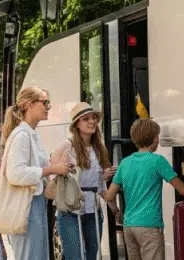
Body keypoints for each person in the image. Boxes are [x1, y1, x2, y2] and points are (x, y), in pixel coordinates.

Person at [102, 119, 184, 260]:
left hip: (129, 226)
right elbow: (183, 190)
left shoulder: (124, 163)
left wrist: (116, 211)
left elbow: (109, 196)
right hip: (149, 225)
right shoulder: (158, 161)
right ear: (155, 138)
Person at [0, 86, 74, 260]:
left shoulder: (30, 134)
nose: (48, 107)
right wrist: (53, 169)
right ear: (30, 105)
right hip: (26, 207)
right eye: (45, 102)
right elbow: (15, 174)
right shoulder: (22, 135)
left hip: (35, 204)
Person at [49, 102, 120, 259]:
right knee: (75, 256)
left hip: (93, 210)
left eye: (94, 118)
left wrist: (115, 209)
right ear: (77, 124)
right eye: (86, 119)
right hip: (69, 211)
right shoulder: (66, 146)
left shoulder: (99, 148)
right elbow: (53, 175)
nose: (92, 121)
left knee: (92, 256)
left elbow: (100, 187)